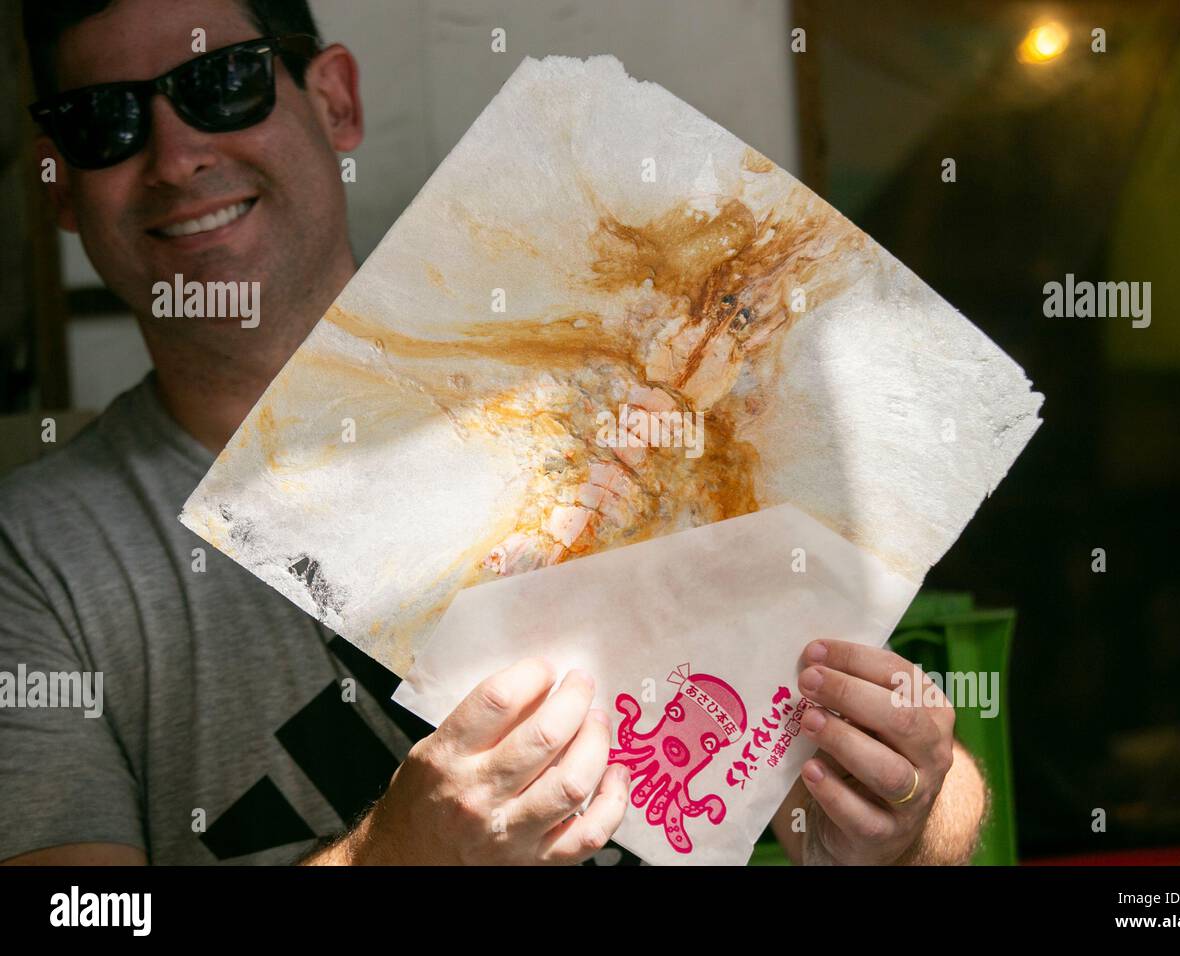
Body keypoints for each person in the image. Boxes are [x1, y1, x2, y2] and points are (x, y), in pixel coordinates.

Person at [0, 0, 987, 866]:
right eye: (105, 122)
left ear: (334, 100)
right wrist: (392, 857)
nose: (175, 157)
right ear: (58, 186)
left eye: (221, 82)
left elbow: (910, 796)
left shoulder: (617, 394)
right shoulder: (36, 556)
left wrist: (910, 813)